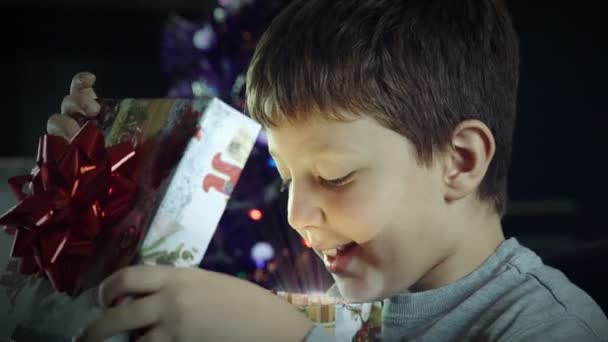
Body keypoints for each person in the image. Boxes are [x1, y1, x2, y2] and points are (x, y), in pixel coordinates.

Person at [47, 0, 608, 341]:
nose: (296, 216)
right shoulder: (338, 313)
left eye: (335, 176)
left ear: (458, 162)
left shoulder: (550, 326)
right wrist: (96, 191)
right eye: (287, 178)